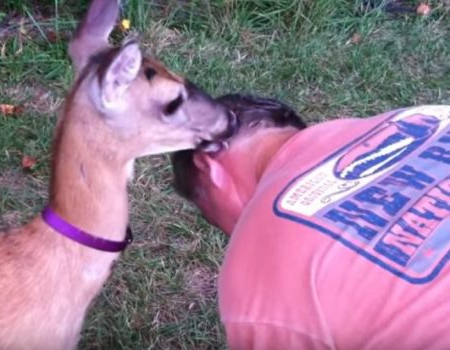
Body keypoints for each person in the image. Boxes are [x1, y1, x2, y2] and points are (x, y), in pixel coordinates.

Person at [172, 95, 450, 349]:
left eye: (216, 218)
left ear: (208, 168)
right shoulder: (429, 117)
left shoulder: (262, 273)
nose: (235, 233)